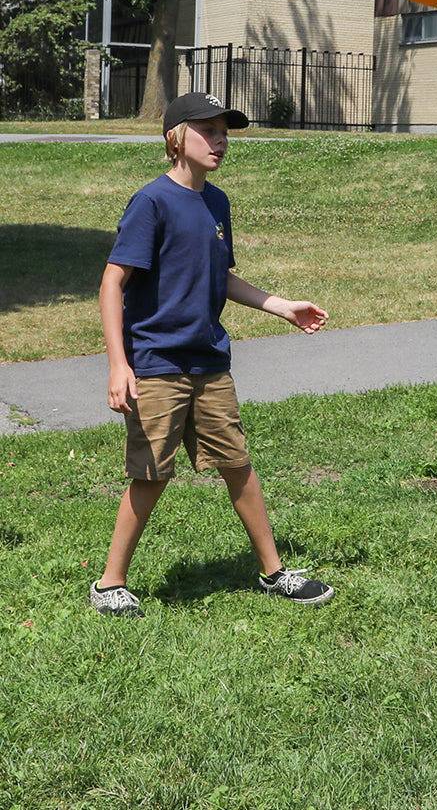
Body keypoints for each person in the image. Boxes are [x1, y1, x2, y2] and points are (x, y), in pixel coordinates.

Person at [90, 92, 333, 617]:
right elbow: (112, 283)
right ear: (176, 138)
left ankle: (274, 572)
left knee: (237, 464)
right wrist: (118, 363)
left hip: (209, 361)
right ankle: (110, 583)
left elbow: (220, 276)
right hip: (157, 363)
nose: (220, 141)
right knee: (151, 474)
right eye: (208, 131)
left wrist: (281, 306)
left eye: (225, 132)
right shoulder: (151, 202)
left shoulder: (216, 203)